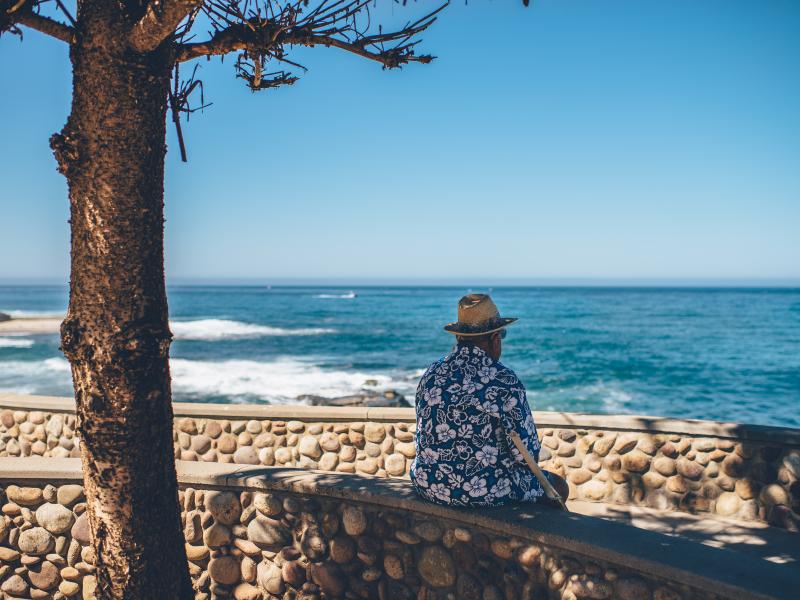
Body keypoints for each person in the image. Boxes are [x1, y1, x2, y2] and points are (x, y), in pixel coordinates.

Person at [410, 293, 568, 507]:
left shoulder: (432, 372)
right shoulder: (503, 380)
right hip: (482, 492)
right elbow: (527, 455)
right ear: (494, 339)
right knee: (559, 486)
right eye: (502, 335)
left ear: (458, 337)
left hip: (429, 484)